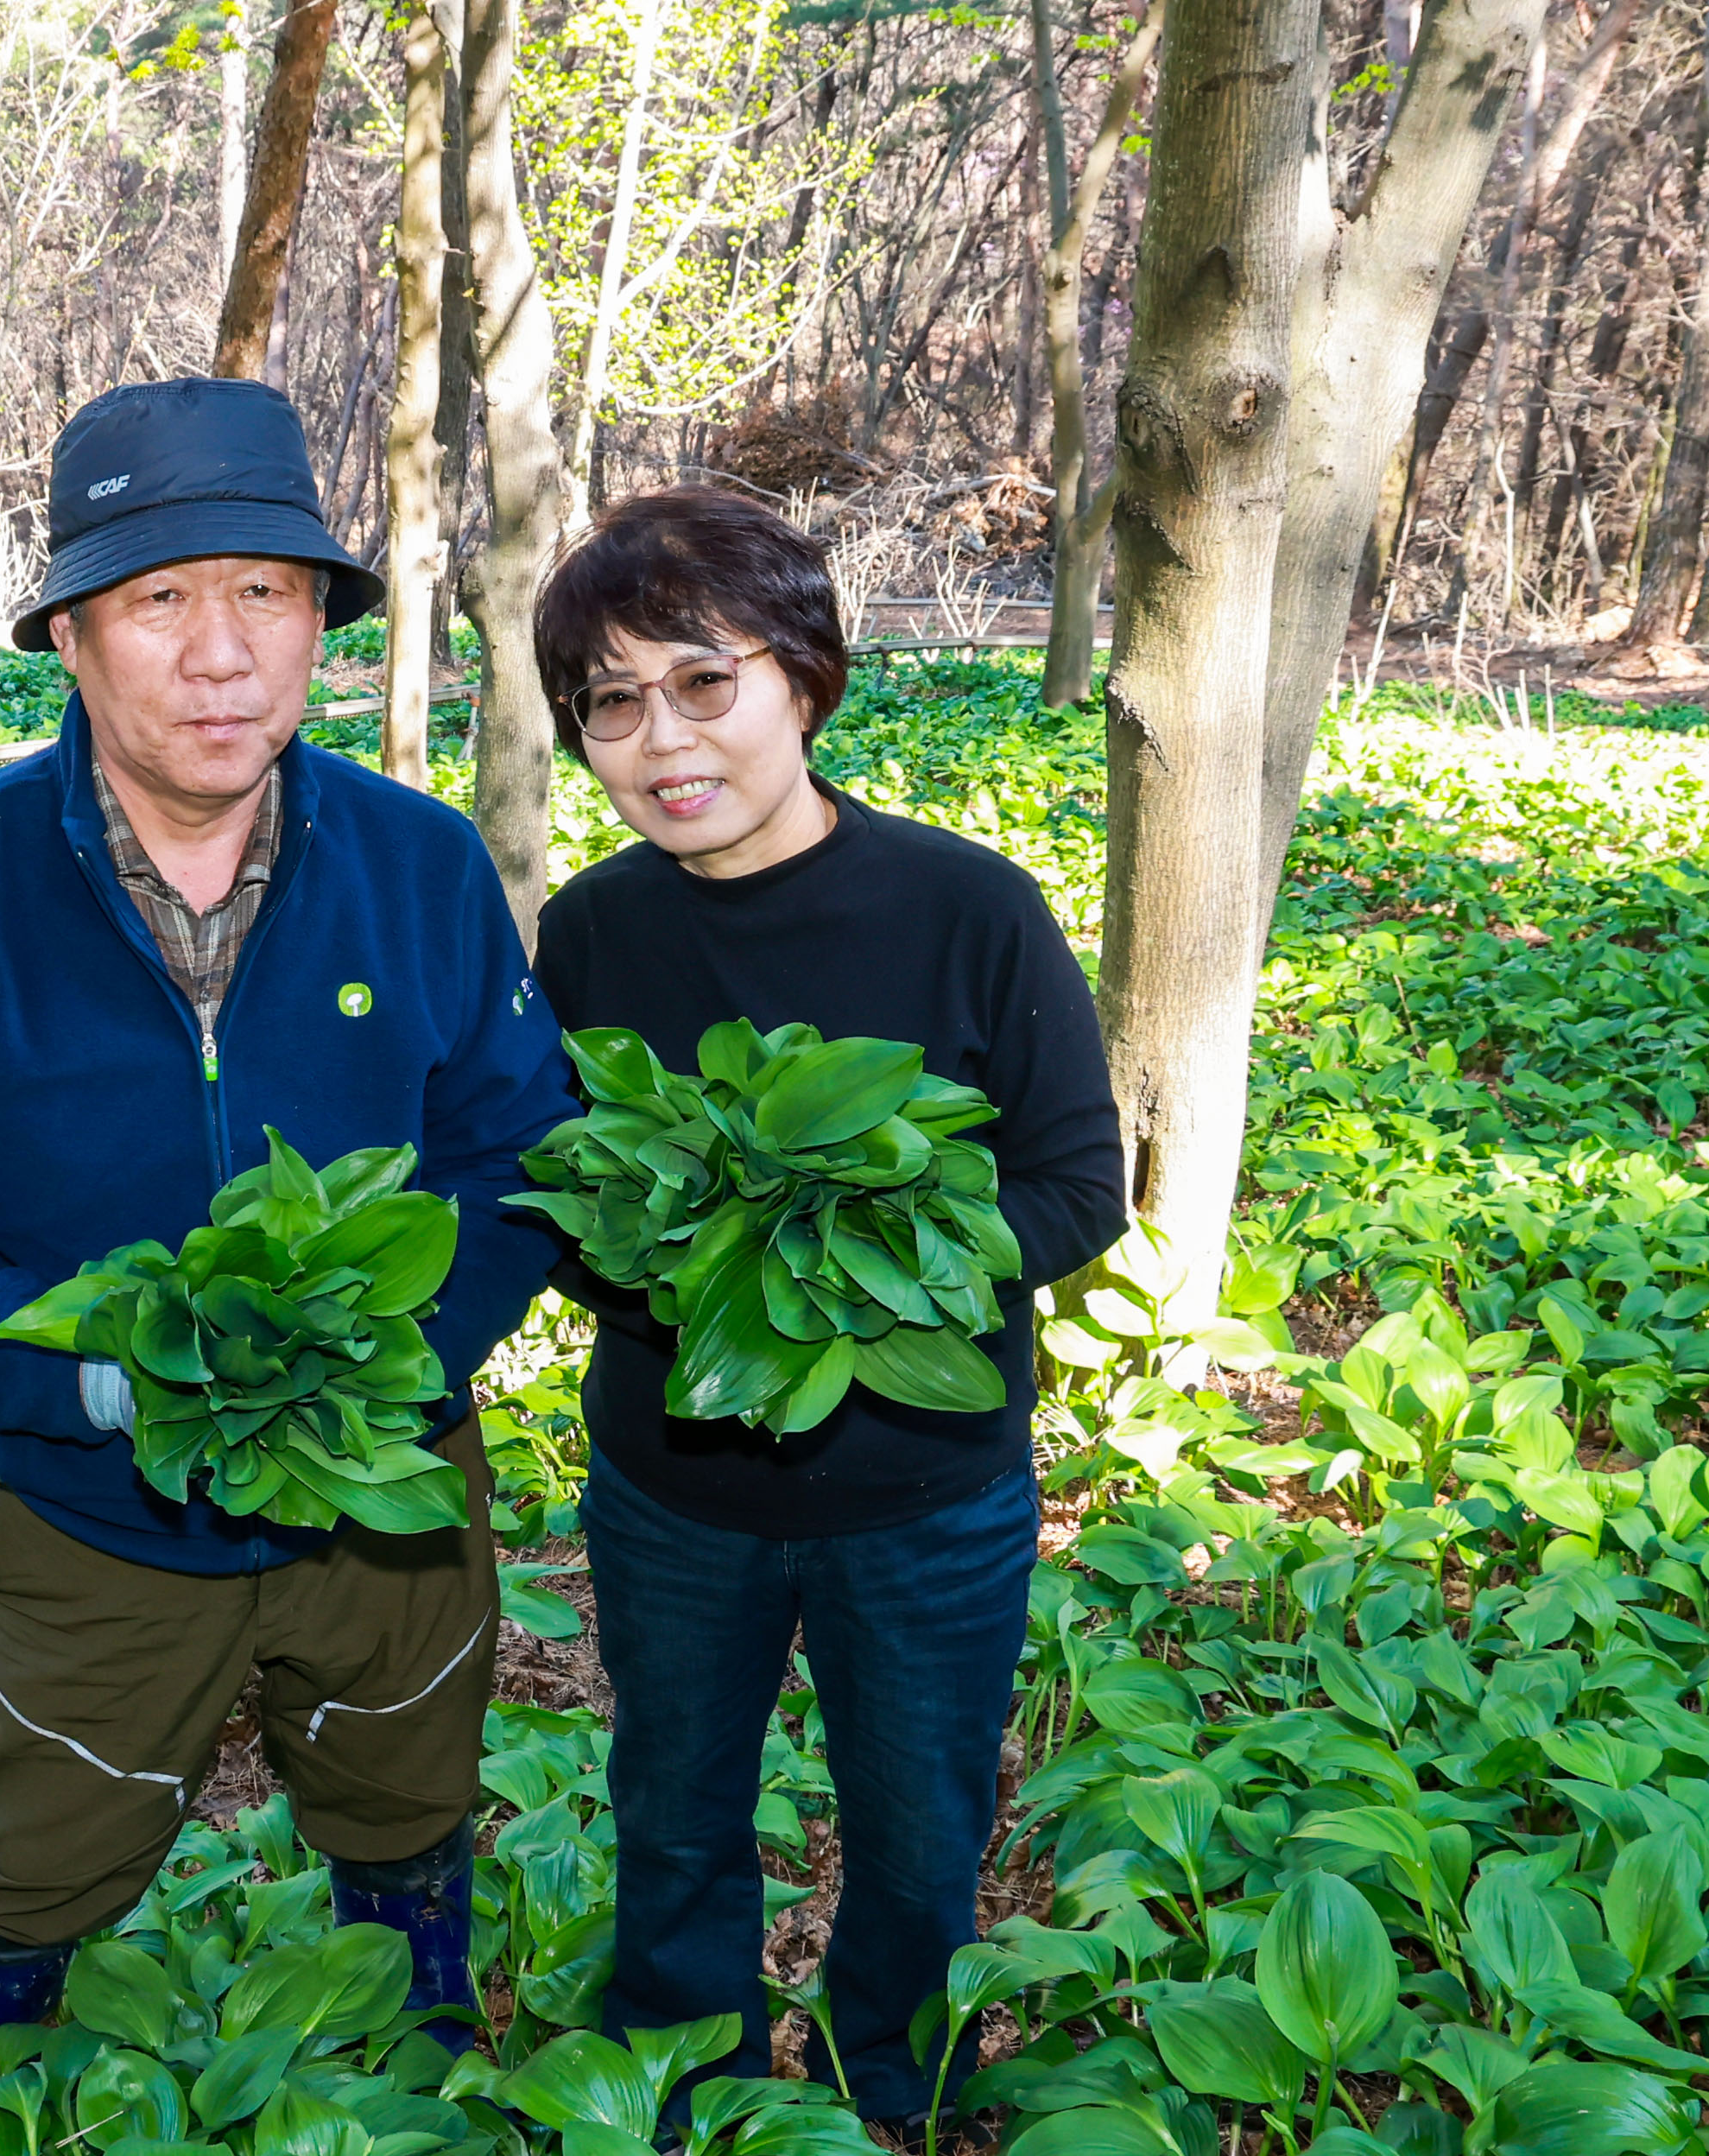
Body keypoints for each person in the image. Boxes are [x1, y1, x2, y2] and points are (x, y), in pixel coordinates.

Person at [0, 377, 575, 2052]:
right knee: (31, 1857)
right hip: (93, 1512)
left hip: (390, 1504)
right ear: (70, 633)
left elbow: (521, 1149)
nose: (224, 655)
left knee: (409, 1800)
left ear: (320, 622)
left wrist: (398, 1368)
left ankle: (412, 2056)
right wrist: (93, 1385)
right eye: (161, 600)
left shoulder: (422, 870)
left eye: (267, 594)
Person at [527, 488, 1127, 2129]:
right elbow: (560, 1205)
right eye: (615, 705)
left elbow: (1081, 1193)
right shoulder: (589, 934)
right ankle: (687, 2082)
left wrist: (839, 1261)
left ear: (806, 676)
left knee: (923, 1835)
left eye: (707, 683)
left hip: (925, 1496)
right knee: (673, 1815)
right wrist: (680, 1259)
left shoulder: (967, 910)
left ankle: (896, 2095)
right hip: (676, 1493)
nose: (664, 740)